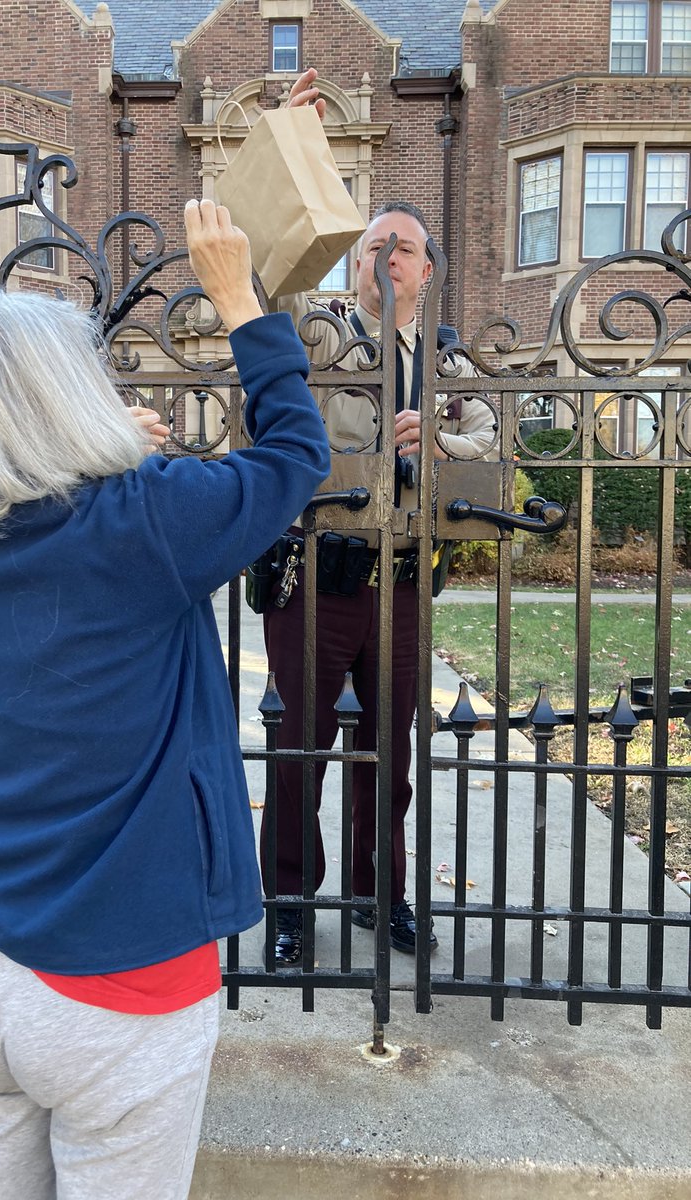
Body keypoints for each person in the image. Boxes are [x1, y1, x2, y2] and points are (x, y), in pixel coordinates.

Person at [0, 198, 330, 1200]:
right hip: (117, 979)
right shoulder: (146, 526)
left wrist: (118, 457)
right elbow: (294, 458)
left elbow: (62, 518)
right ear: (64, 397)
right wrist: (238, 297)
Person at [262, 69, 497, 967]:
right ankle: (288, 906)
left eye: (400, 247)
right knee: (298, 751)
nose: (383, 257)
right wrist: (290, 154)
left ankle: (377, 894)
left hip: (403, 585)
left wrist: (438, 441)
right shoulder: (317, 332)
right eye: (370, 246)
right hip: (315, 575)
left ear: (427, 268)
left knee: (388, 760)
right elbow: (263, 282)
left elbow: (500, 447)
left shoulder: (448, 360)